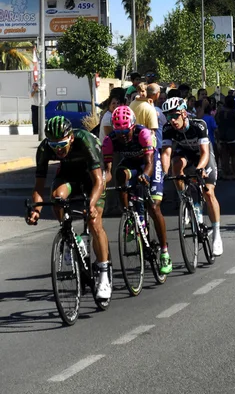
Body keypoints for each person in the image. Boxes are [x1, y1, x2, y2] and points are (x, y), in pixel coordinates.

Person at [26, 116, 111, 299]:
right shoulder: (44, 148)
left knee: (94, 221)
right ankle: (71, 236)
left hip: (92, 176)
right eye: (54, 146)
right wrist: (36, 210)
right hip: (69, 175)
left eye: (61, 145)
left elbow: (98, 181)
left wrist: (91, 205)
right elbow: (39, 186)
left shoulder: (85, 140)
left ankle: (104, 274)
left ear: (71, 137)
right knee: (57, 197)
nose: (58, 150)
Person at [102, 106, 172, 275]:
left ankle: (164, 252)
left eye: (126, 131)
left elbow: (149, 164)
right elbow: (108, 171)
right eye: (119, 132)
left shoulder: (144, 134)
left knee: (154, 207)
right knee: (120, 174)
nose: (123, 136)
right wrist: (103, 182)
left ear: (133, 126)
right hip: (131, 163)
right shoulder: (109, 140)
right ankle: (128, 216)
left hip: (149, 163)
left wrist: (146, 177)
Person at [160, 97, 223, 256]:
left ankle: (216, 235)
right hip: (185, 153)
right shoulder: (168, 128)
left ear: (183, 113)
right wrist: (163, 172)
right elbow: (166, 152)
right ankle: (185, 201)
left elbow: (204, 152)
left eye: (175, 116)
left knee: (208, 192)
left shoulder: (198, 125)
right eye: (168, 116)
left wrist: (200, 168)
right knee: (176, 164)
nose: (172, 120)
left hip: (203, 156)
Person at [216, 95, 235, 180]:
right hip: (232, 135)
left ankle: (225, 173)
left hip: (222, 135)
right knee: (233, 155)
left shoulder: (220, 112)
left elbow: (217, 122)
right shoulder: (233, 113)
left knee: (224, 155)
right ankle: (233, 173)